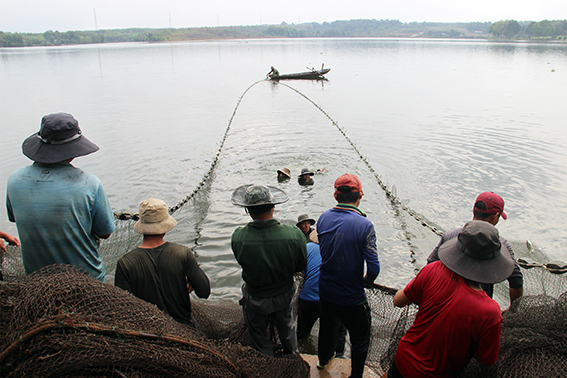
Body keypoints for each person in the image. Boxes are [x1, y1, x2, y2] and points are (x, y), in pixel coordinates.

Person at [384, 221, 515, 378]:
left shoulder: (433, 270)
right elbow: (486, 360)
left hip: (404, 362)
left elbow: (398, 301)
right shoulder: (490, 311)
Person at [6, 113, 115, 281]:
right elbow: (105, 232)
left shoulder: (14, 180)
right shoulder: (89, 183)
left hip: (37, 280)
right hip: (87, 279)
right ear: (73, 149)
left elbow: (15, 218)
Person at [231, 184, 307, 356]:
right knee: (288, 331)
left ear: (248, 210)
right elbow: (301, 264)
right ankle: (293, 359)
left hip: (255, 298)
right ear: (273, 207)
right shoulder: (294, 234)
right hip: (283, 294)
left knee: (259, 336)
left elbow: (242, 261)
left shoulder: (238, 237)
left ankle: (267, 365)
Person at [316, 173, 380, 378]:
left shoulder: (323, 218)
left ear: (336, 196)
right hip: (352, 296)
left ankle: (323, 361)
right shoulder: (365, 225)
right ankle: (356, 376)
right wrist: (366, 281)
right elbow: (374, 268)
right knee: (360, 340)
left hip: (326, 291)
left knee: (327, 329)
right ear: (359, 195)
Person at [115, 198, 210, 327]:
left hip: (145, 332)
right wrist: (189, 281)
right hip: (184, 330)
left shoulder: (125, 263)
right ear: (165, 228)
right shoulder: (183, 253)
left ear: (142, 227)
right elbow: (204, 292)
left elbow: (123, 309)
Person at [427, 191, 523, 305]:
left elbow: (431, 264)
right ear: (495, 217)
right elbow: (516, 281)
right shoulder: (502, 245)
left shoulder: (449, 236)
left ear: (474, 210)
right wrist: (512, 309)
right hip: (480, 310)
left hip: (444, 303)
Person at [297, 230, 347, 358]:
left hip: (308, 299)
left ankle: (301, 353)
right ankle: (338, 356)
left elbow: (301, 269)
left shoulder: (308, 248)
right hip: (333, 300)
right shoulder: (341, 251)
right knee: (338, 332)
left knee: (302, 332)